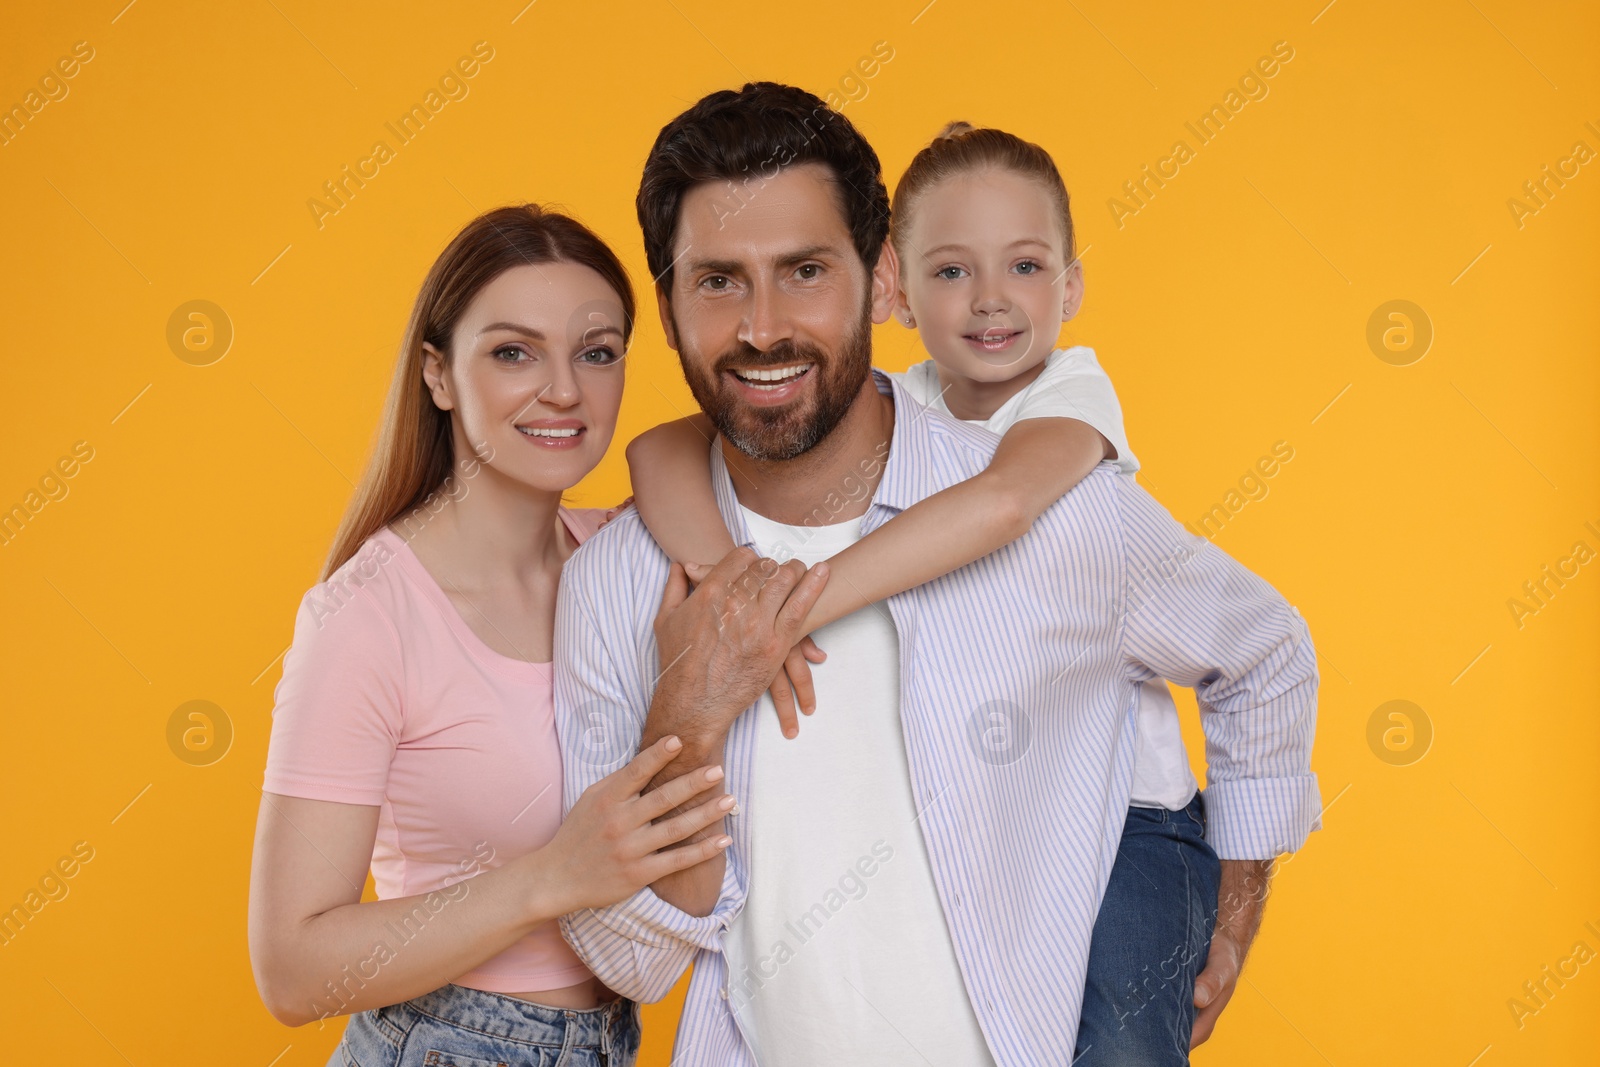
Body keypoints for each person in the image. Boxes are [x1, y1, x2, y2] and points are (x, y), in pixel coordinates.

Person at [553, 83, 1322, 1067]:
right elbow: (632, 965)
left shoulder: (1056, 507)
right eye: (716, 281)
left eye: (804, 271)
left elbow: (1261, 648)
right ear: (664, 307)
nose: (761, 326)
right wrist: (689, 716)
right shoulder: (618, 582)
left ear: (879, 281)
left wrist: (1238, 889)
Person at [247, 205, 741, 1067]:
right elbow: (291, 970)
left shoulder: (625, 560)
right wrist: (552, 875)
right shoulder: (367, 616)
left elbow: (708, 437)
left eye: (597, 352)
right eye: (513, 351)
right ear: (438, 373)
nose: (563, 390)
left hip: (610, 1042)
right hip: (443, 1043)